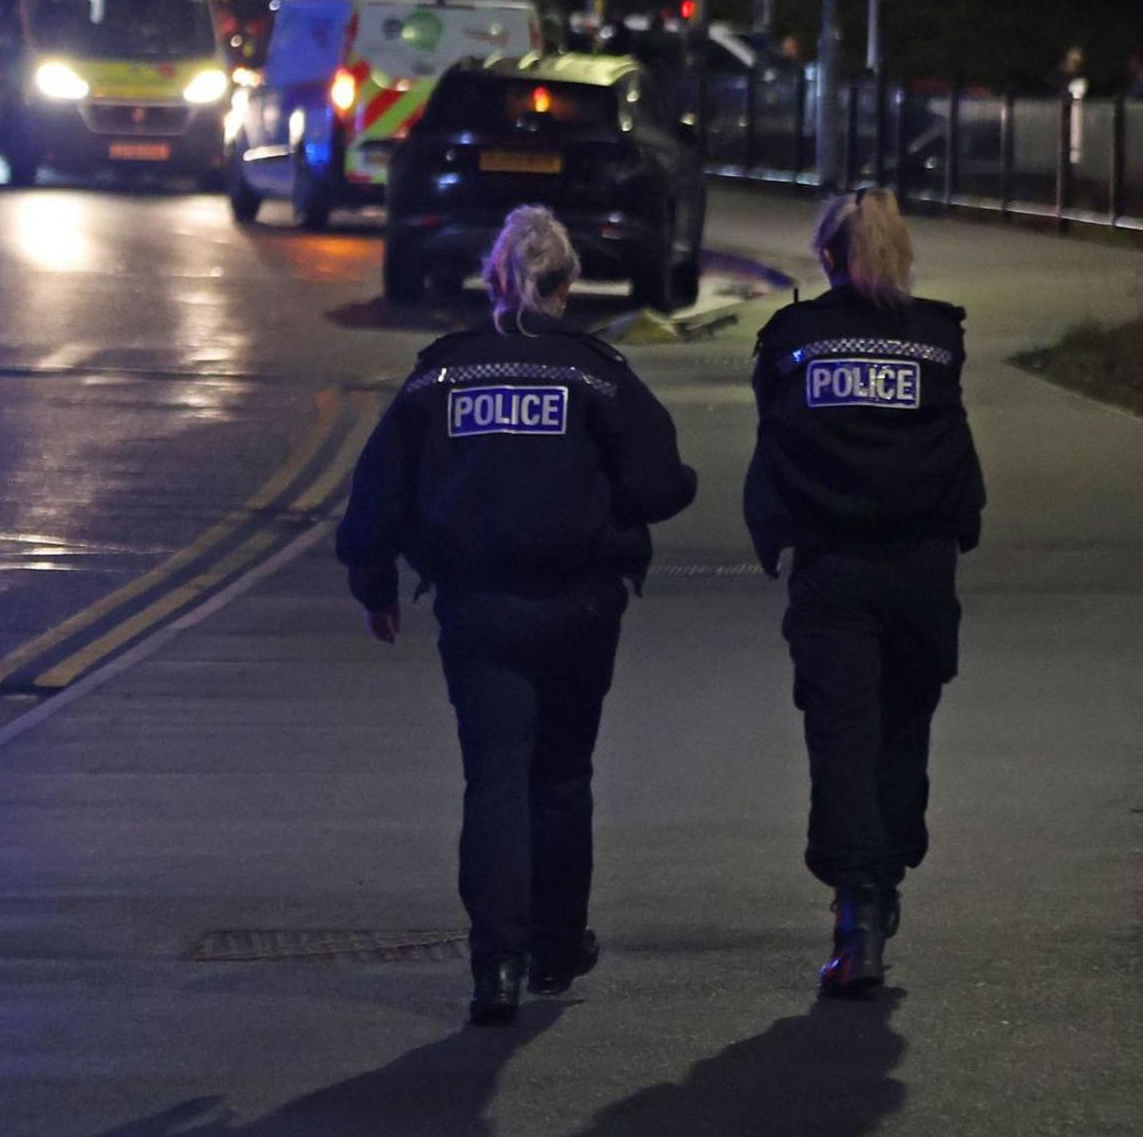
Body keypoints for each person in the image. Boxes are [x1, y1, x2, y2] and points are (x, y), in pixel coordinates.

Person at [337, 204, 698, 1025]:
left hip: (479, 606)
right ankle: (556, 948)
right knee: (562, 776)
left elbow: (380, 493)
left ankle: (496, 962)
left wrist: (375, 582)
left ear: (495, 283)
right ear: (566, 284)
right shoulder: (598, 373)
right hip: (579, 604)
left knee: (495, 775)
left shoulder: (440, 375)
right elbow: (658, 482)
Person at [744, 187, 986, 995]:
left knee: (842, 739)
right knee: (902, 732)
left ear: (827, 257)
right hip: (921, 568)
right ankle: (883, 883)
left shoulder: (792, 340)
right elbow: (953, 450)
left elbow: (775, 442)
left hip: (834, 569)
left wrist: (775, 531)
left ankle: (859, 917)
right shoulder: (939, 340)